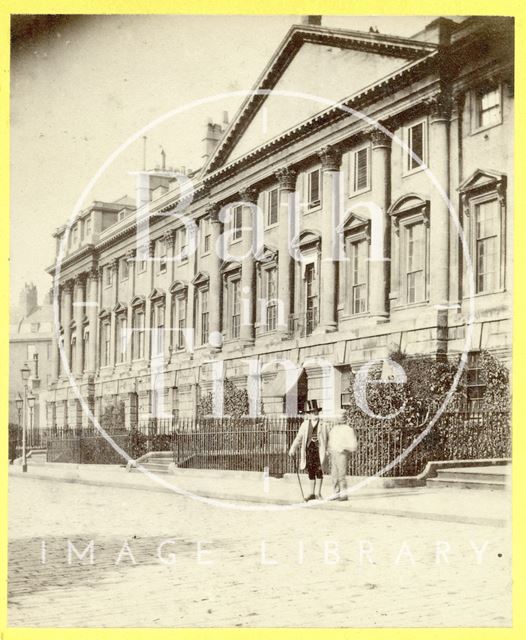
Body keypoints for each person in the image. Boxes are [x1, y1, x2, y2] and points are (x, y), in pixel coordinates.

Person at [288, 399, 328, 501]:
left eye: (316, 412)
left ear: (318, 413)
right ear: (309, 414)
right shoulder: (305, 425)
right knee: (310, 471)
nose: (314, 414)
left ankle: (318, 493)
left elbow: (328, 438)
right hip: (309, 451)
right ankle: (311, 493)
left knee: (319, 471)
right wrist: (292, 448)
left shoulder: (324, 425)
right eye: (312, 412)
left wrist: (328, 450)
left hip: (319, 451)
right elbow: (298, 438)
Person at [328, 408, 357, 501]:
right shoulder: (334, 429)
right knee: (334, 474)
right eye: (338, 417)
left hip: (342, 454)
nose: (339, 419)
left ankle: (344, 494)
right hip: (333, 453)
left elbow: (353, 445)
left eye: (341, 417)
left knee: (341, 474)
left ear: (345, 418)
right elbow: (330, 441)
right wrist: (329, 449)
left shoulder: (348, 429)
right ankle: (336, 493)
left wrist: (344, 448)